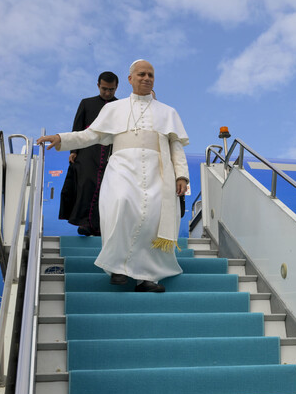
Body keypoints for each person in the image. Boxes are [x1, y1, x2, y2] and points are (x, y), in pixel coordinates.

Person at [38, 59, 189, 293]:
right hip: (122, 168)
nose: (146, 78)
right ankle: (118, 267)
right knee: (121, 204)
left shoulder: (168, 112)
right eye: (141, 74)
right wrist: (62, 139)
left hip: (158, 171)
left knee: (152, 218)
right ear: (130, 79)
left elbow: (176, 147)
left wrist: (182, 177)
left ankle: (146, 277)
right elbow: (90, 136)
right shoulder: (113, 109)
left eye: (150, 74)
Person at [59, 71, 119, 236]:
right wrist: (73, 150)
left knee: (106, 188)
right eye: (104, 89)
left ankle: (100, 227)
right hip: (87, 150)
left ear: (116, 88)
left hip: (110, 151)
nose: (107, 93)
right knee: (86, 185)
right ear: (98, 86)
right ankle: (85, 223)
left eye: (111, 90)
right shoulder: (86, 103)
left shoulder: (120, 106)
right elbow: (77, 127)